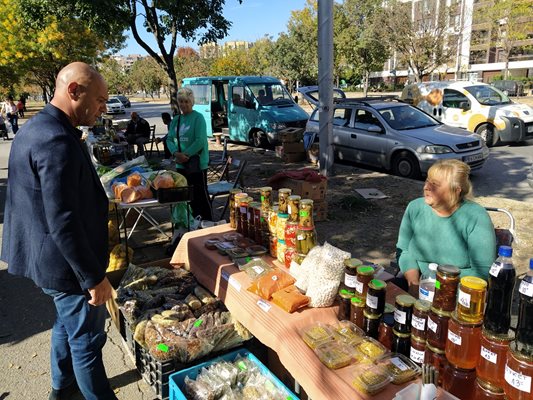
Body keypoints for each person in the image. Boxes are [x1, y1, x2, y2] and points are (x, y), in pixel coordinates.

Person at [1, 62, 117, 400]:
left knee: (66, 326)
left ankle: (62, 389)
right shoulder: (55, 140)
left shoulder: (40, 127)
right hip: (66, 266)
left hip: (48, 261)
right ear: (74, 91)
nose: (103, 108)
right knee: (88, 342)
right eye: (99, 100)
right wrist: (93, 277)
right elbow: (62, 219)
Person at [396, 159, 496, 291]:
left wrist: (439, 285)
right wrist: (414, 284)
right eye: (427, 180)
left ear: (456, 190)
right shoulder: (415, 207)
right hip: (415, 280)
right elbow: (404, 250)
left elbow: (483, 270)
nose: (426, 187)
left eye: (435, 184)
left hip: (458, 288)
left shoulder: (476, 216)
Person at [167, 87, 213, 221]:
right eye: (181, 101)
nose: (183, 105)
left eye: (186, 101)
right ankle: (189, 223)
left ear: (191, 102)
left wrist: (184, 155)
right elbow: (169, 139)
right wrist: (176, 153)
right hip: (181, 165)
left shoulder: (198, 118)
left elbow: (200, 141)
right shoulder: (176, 120)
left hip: (196, 164)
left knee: (200, 197)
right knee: (186, 197)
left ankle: (207, 222)